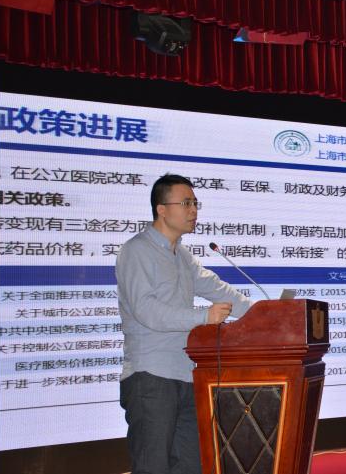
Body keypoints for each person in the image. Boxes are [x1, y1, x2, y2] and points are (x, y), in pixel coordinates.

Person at [116, 173, 251, 474]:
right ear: (162, 209)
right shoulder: (136, 250)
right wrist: (203, 317)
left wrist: (264, 313)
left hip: (186, 375)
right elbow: (146, 310)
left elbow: (216, 288)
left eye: (195, 203)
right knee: (153, 467)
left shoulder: (183, 256)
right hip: (151, 377)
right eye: (186, 203)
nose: (193, 211)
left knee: (192, 466)